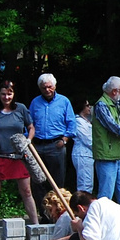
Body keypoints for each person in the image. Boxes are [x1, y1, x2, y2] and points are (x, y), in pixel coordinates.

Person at [0, 80, 38, 240]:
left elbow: (31, 127)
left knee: (26, 191)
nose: (6, 97)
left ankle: (35, 225)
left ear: (14, 94)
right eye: (3, 94)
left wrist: (28, 140)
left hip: (19, 155)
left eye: (9, 93)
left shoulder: (21, 109)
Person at [27, 73, 77, 210]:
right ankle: (44, 213)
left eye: (49, 87)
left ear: (54, 86)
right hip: (37, 145)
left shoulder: (64, 101)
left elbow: (72, 123)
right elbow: (29, 123)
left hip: (56, 145)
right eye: (44, 88)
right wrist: (28, 141)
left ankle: (59, 211)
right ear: (40, 88)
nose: (47, 90)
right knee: (37, 181)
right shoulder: (35, 102)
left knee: (57, 181)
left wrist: (64, 140)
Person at [92, 77, 120, 211]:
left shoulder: (114, 104)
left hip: (119, 153)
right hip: (107, 155)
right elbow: (112, 126)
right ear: (114, 91)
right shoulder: (102, 105)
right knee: (106, 193)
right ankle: (101, 220)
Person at [70, 98, 95, 193]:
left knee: (88, 183)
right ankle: (82, 205)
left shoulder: (86, 121)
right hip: (82, 154)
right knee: (85, 184)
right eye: (87, 105)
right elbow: (88, 139)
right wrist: (100, 148)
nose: (89, 108)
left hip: (88, 154)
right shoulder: (78, 121)